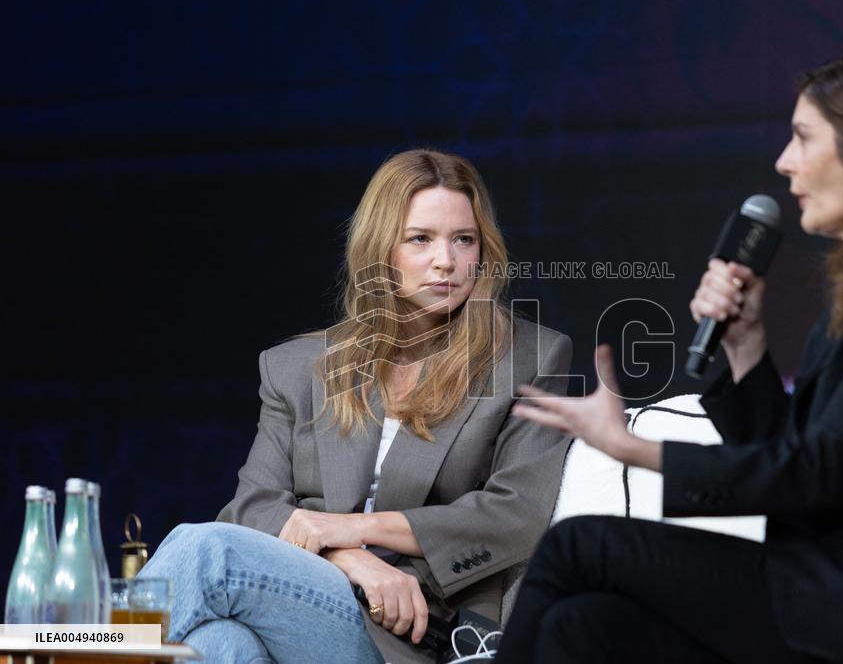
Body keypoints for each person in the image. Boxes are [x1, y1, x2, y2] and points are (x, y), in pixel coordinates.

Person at [498, 48, 843, 663]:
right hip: (822, 582)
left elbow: (823, 471)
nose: (784, 164)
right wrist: (746, 347)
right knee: (585, 626)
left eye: (802, 138)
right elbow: (792, 450)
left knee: (577, 548)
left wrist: (632, 449)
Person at [140, 149, 573, 664]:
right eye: (420, 239)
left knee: (205, 550)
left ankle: (70, 650)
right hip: (299, 602)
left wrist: (356, 528)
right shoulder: (297, 366)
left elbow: (516, 515)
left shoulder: (530, 357)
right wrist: (349, 558)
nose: (447, 261)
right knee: (217, 648)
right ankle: (75, 651)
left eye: (464, 239)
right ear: (380, 252)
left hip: (409, 632)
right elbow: (251, 507)